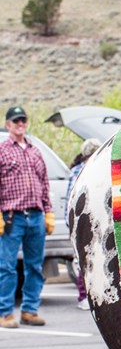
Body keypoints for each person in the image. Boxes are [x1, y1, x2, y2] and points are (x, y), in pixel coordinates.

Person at [0, 106, 55, 328]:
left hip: (36, 216)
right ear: (8, 125)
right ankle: (5, 313)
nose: (20, 124)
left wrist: (48, 212)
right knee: (7, 267)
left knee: (34, 266)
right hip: (12, 218)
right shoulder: (2, 151)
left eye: (22, 120)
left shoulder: (35, 151)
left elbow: (44, 183)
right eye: (15, 121)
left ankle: (30, 310)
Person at [64, 138, 101, 311]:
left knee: (98, 258)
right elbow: (70, 201)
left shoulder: (101, 170)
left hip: (98, 219)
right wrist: (70, 225)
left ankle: (97, 294)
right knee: (83, 260)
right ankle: (83, 295)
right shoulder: (77, 172)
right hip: (82, 221)